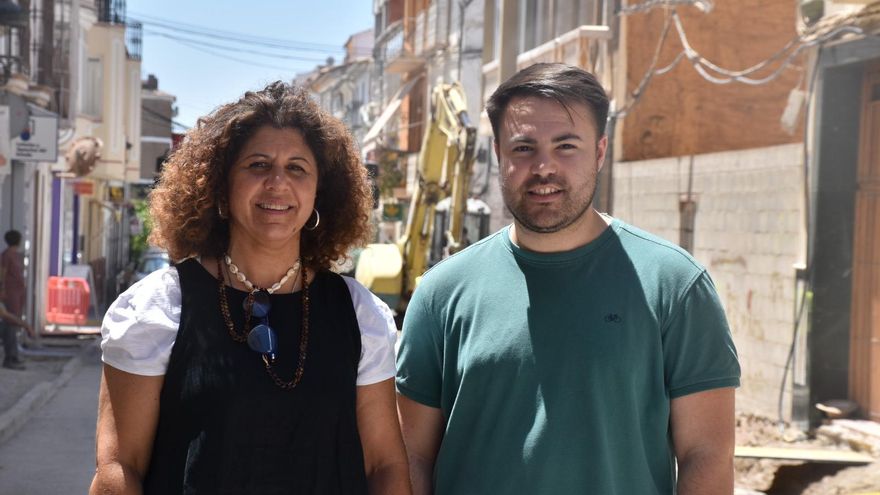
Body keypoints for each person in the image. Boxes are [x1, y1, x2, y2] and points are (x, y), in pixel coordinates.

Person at [396, 63, 741, 494]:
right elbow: (412, 456)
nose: (544, 167)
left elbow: (706, 455)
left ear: (599, 152)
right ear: (499, 156)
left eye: (566, 146)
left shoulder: (674, 285)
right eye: (523, 148)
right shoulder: (440, 293)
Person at [90, 82, 411, 494]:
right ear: (220, 187)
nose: (278, 182)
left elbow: (384, 464)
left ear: (320, 193)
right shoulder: (158, 308)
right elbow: (120, 466)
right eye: (258, 165)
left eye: (297, 168)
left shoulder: (359, 313)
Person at [1, 230, 34, 370]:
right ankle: (11, 357)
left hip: (18, 291)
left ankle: (14, 353)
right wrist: (2, 289)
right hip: (10, 292)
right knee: (11, 321)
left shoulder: (18, 255)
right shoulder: (6, 255)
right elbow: (3, 272)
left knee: (14, 321)